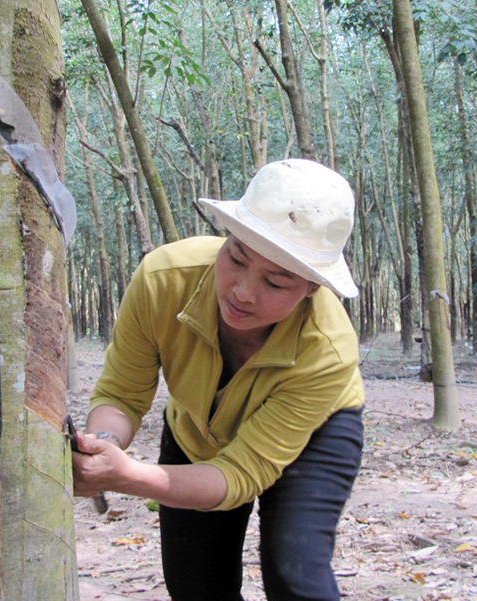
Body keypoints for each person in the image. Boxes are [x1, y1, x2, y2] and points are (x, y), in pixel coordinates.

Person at [71, 158, 365, 601]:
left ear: (312, 287)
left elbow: (240, 475)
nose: (243, 291)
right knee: (196, 586)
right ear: (225, 240)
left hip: (316, 433)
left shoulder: (328, 350)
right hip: (195, 429)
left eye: (276, 281)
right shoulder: (162, 280)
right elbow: (121, 393)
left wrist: (129, 477)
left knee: (296, 573)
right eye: (237, 259)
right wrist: (106, 441)